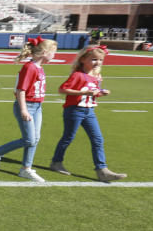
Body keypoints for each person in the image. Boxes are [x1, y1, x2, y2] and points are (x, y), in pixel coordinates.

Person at [49, 45, 127, 182]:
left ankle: (102, 170)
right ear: (83, 59)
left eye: (100, 60)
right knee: (68, 137)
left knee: (98, 139)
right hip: (74, 110)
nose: (97, 63)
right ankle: (56, 162)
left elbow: (92, 94)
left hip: (89, 111)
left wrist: (101, 93)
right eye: (94, 59)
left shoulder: (96, 76)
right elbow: (62, 90)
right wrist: (84, 92)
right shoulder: (77, 75)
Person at [0, 37, 57, 182]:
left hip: (37, 107)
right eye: (53, 52)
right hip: (26, 106)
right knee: (29, 139)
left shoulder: (39, 67)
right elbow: (20, 90)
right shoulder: (29, 67)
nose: (54, 55)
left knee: (35, 139)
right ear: (44, 52)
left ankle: (26, 169)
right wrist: (24, 110)